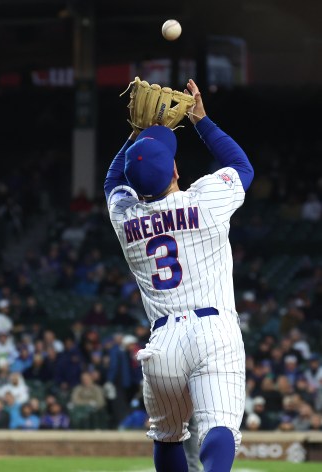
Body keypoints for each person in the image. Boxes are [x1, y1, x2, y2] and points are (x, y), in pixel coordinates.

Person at [104, 79, 253, 472]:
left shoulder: (125, 219)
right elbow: (241, 166)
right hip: (214, 331)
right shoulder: (205, 200)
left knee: (168, 435)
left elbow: (113, 182)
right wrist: (201, 120)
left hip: (163, 342)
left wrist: (135, 136)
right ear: (174, 168)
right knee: (218, 429)